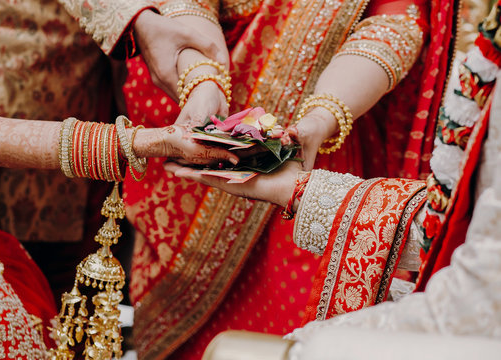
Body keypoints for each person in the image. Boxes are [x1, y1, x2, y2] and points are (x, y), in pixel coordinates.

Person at [121, 0, 457, 358]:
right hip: (188, 98)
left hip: (316, 150)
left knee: (288, 323)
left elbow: (397, 18)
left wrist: (323, 115)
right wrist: (201, 77)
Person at [0, 0, 227, 302]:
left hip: (82, 97)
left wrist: (192, 67)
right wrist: (139, 22)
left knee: (70, 291)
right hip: (4, 93)